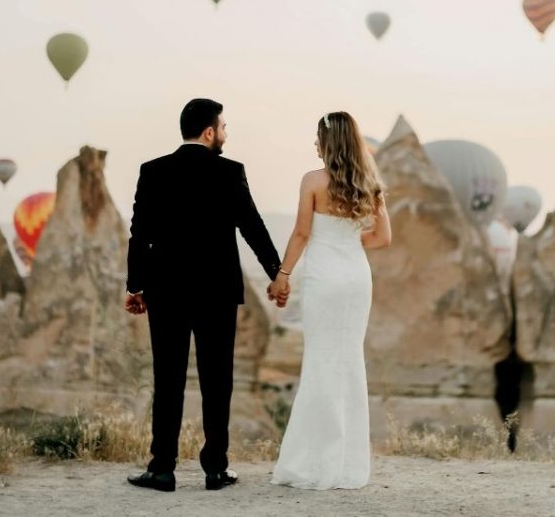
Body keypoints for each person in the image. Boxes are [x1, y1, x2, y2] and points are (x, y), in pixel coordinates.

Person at [124, 98, 288, 492]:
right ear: (210, 131)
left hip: (166, 292)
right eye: (224, 128)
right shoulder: (230, 172)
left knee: (168, 380)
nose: (226, 136)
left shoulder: (153, 171)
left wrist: (136, 286)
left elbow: (139, 234)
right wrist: (276, 272)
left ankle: (162, 468)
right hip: (217, 292)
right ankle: (215, 469)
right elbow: (252, 226)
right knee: (218, 380)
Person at [270, 111, 392, 490]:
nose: (314, 145)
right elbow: (383, 238)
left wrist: (282, 274)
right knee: (349, 363)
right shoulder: (370, 183)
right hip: (356, 278)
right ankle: (348, 466)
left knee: (321, 363)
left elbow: (301, 233)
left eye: (317, 138)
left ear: (327, 142)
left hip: (324, 280)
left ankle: (312, 463)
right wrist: (349, 244)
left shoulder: (312, 180)